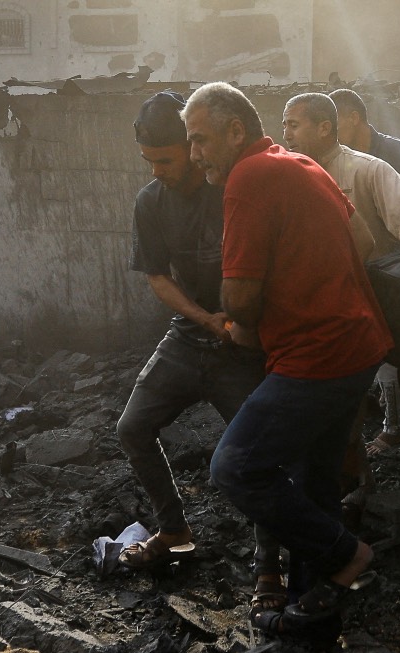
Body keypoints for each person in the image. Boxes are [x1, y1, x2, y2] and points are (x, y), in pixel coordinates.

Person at [185, 82, 387, 634]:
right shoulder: (302, 162)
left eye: (200, 140)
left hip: (317, 355)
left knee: (237, 467)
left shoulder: (248, 177)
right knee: (313, 482)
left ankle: (349, 556)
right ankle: (312, 610)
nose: (195, 153)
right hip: (358, 345)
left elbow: (240, 298)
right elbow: (364, 238)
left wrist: (245, 322)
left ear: (234, 131)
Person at [282, 92, 400, 497]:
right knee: (337, 402)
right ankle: (355, 484)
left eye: (293, 124)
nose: (286, 134)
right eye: (284, 125)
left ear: (324, 128)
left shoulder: (365, 169)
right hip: (330, 310)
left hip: (384, 301)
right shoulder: (289, 177)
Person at [111, 90, 267, 577]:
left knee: (260, 451)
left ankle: (270, 561)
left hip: (244, 344)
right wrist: (205, 319)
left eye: (165, 159)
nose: (156, 170)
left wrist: (240, 325)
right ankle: (174, 530)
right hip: (190, 335)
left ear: (193, 148)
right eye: (147, 161)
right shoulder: (150, 202)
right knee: (131, 427)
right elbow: (157, 275)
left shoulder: (234, 187)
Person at [329, 87, 400, 458]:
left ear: (353, 118)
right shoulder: (334, 160)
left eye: (334, 121)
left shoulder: (392, 153)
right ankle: (392, 425)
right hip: (363, 266)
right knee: (375, 351)